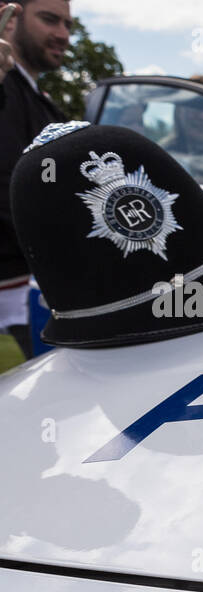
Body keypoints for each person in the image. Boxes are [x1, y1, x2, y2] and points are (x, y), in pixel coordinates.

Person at [0, 1, 70, 356]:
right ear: (10, 19)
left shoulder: (42, 102)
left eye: (68, 25)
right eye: (49, 19)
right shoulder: (5, 89)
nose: (62, 34)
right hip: (21, 285)